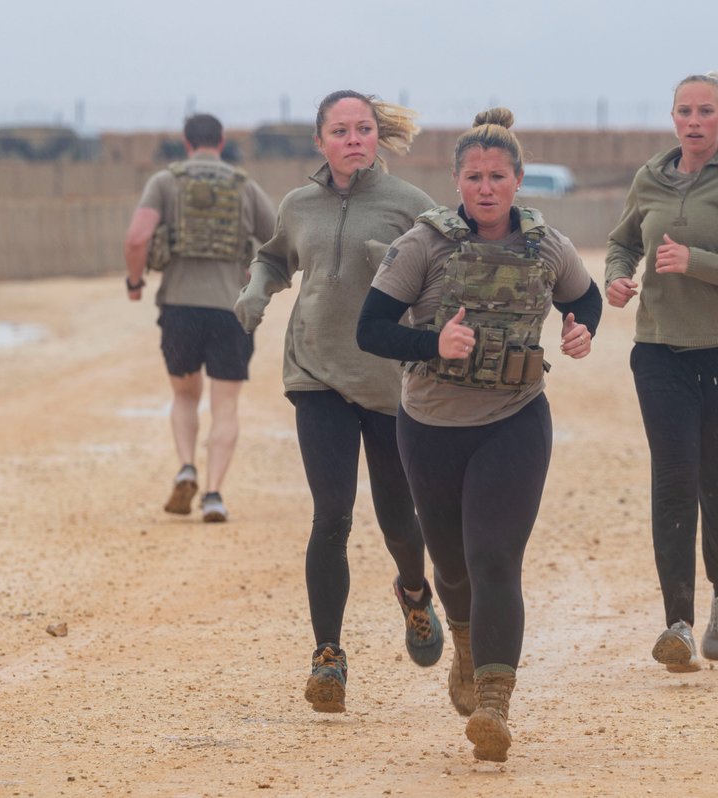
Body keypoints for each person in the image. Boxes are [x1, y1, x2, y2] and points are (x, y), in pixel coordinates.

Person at [356, 107, 602, 763]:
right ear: (457, 181)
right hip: (431, 427)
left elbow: (587, 295)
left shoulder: (547, 246)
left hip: (514, 421)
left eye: (497, 176)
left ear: (518, 180)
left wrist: (582, 328)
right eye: (474, 176)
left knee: (496, 559)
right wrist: (433, 340)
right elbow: (371, 329)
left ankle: (495, 702)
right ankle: (463, 639)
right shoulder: (424, 245)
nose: (486, 187)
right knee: (454, 569)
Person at [233, 90, 443, 715]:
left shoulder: (412, 206)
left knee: (398, 520)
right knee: (332, 515)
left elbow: (446, 269)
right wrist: (255, 289)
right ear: (320, 140)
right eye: (340, 130)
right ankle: (328, 655)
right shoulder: (298, 205)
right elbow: (273, 257)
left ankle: (413, 591)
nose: (353, 139)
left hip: (386, 384)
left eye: (363, 129)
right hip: (314, 374)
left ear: (377, 137)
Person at [604, 72, 718, 675]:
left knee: (716, 482)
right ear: (673, 117)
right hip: (658, 351)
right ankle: (677, 625)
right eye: (684, 110)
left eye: (705, 111)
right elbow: (622, 242)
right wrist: (618, 278)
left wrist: (696, 262)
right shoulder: (650, 179)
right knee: (673, 481)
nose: (694, 121)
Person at [124, 112, 277, 523]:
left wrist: (135, 283)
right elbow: (280, 239)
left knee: (184, 396)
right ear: (222, 141)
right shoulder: (244, 185)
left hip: (179, 307)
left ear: (186, 142)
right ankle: (213, 494)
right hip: (231, 308)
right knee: (225, 405)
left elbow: (137, 237)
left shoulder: (165, 182)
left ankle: (187, 465)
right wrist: (258, 280)